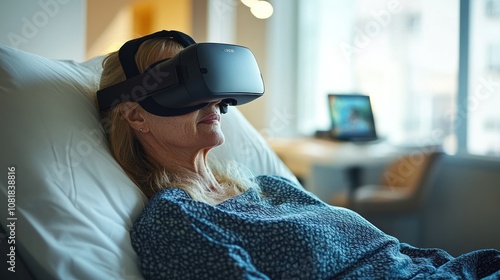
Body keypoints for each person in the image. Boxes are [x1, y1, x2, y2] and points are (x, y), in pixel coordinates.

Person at [97, 31, 500, 279]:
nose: (212, 100)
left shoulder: (266, 186)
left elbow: (397, 252)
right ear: (135, 115)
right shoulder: (174, 219)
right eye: (181, 80)